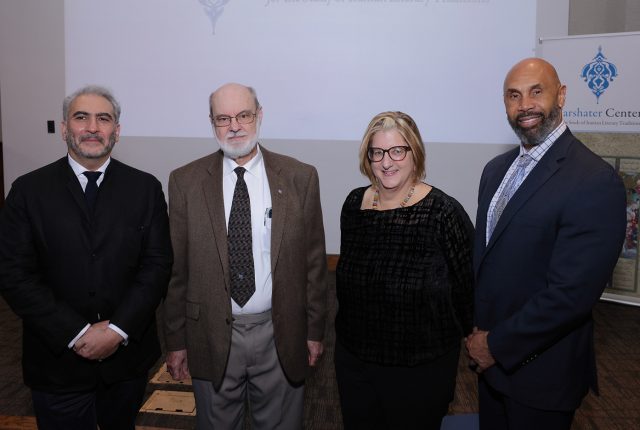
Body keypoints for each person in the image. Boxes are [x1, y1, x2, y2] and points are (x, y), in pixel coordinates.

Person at [466, 58, 626, 430]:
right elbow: (489, 263)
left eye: (537, 92)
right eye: (513, 95)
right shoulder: (495, 170)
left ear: (562, 95)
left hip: (542, 375)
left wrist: (495, 345)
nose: (525, 106)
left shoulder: (594, 180)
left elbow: (572, 295)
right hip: (490, 367)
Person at [0, 85, 173, 430]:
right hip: (56, 360)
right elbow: (13, 274)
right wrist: (77, 333)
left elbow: (156, 267)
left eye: (103, 118)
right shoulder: (28, 190)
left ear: (117, 132)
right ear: (65, 128)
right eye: (81, 117)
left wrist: (117, 330)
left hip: (126, 360)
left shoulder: (145, 188)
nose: (92, 127)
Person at [163, 83, 328, 429]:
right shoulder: (185, 182)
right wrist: (176, 342)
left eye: (243, 115)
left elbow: (314, 265)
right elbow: (177, 272)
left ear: (259, 116)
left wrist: (314, 331)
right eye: (223, 118)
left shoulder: (300, 178)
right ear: (212, 122)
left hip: (279, 331)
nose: (234, 125)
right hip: (209, 334)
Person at [334, 111, 474, 430]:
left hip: (420, 373)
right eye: (378, 152)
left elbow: (468, 288)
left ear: (415, 153)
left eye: (398, 150)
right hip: (355, 364)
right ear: (367, 157)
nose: (387, 162)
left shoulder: (443, 212)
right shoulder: (354, 206)